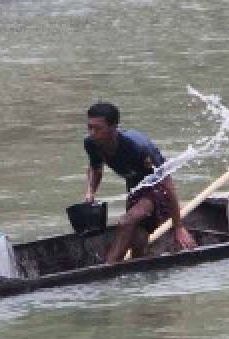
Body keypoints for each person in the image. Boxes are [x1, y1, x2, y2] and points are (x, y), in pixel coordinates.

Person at [81, 101, 197, 262]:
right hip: (135, 188)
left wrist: (178, 227)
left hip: (156, 188)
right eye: (89, 127)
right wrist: (90, 192)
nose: (92, 133)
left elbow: (167, 184)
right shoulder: (91, 143)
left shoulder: (137, 146)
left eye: (97, 128)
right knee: (137, 239)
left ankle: (107, 270)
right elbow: (96, 168)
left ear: (114, 127)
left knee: (126, 221)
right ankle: (140, 272)